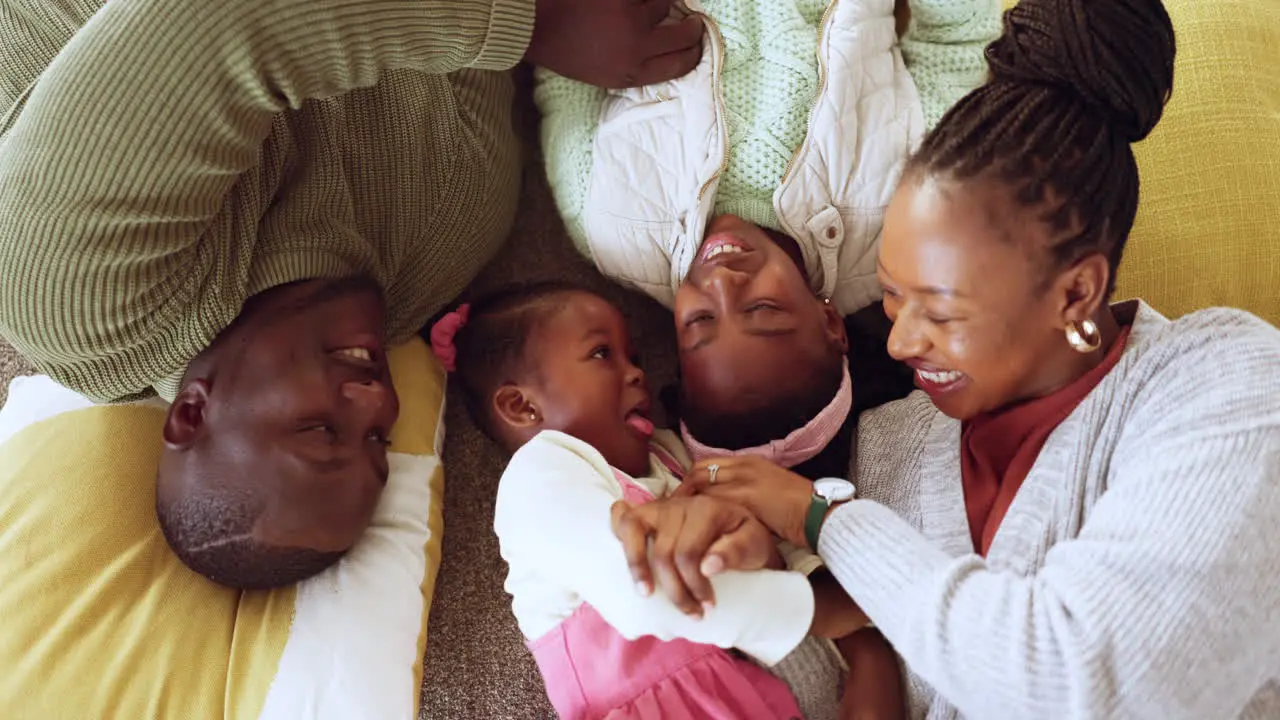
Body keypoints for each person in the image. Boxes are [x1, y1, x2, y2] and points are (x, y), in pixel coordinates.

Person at [610, 0, 1280, 716]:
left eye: (941, 311)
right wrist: (740, 576)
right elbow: (870, 659)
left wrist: (820, 522)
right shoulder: (893, 442)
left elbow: (1081, 681)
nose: (899, 343)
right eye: (894, 299)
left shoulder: (1230, 381)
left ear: (1076, 290)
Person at [0, 0, 703, 589]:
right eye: (375, 439)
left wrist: (536, 21)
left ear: (192, 411)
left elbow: (226, 21)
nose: (378, 400)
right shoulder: (451, 222)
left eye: (319, 428)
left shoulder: (82, 305)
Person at [538, 0, 1001, 461]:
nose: (720, 283)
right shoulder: (899, 216)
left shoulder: (609, 228)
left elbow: (565, 79)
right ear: (829, 323)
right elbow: (955, 49)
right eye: (761, 307)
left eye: (701, 321)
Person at [430, 282, 902, 720]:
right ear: (522, 407)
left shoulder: (669, 455)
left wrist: (861, 644)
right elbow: (647, 593)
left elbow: (769, 526)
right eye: (601, 353)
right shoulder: (538, 476)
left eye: (633, 356)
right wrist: (828, 608)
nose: (637, 373)